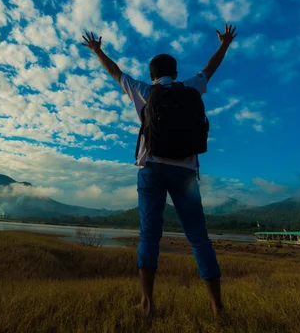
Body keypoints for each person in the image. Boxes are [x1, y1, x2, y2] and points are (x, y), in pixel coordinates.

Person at [81, 24, 238, 317]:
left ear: (152, 75)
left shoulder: (143, 90)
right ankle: (218, 307)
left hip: (152, 169)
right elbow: (210, 68)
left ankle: (147, 303)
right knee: (198, 238)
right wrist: (225, 44)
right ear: (175, 74)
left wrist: (98, 50)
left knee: (149, 235)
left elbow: (116, 73)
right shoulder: (192, 87)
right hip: (186, 174)